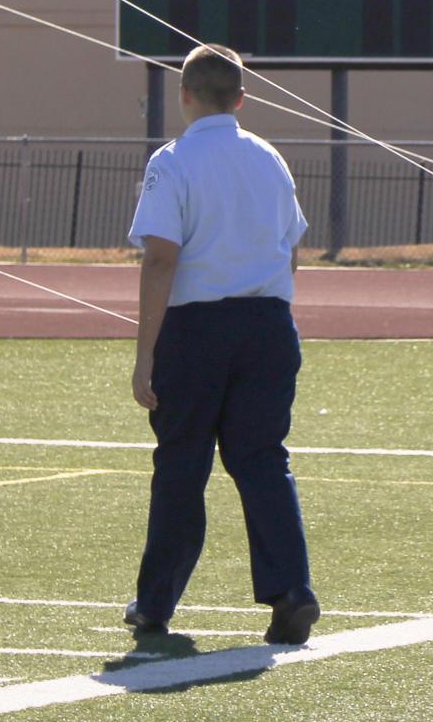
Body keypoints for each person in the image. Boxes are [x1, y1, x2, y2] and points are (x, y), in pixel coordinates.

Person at [123, 43, 320, 646]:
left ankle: (156, 603)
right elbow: (291, 247)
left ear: (185, 95)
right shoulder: (269, 159)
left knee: (182, 463)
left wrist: (145, 354)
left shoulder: (173, 160)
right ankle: (291, 591)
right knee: (262, 459)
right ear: (241, 97)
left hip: (197, 329)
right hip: (268, 322)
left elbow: (161, 258)